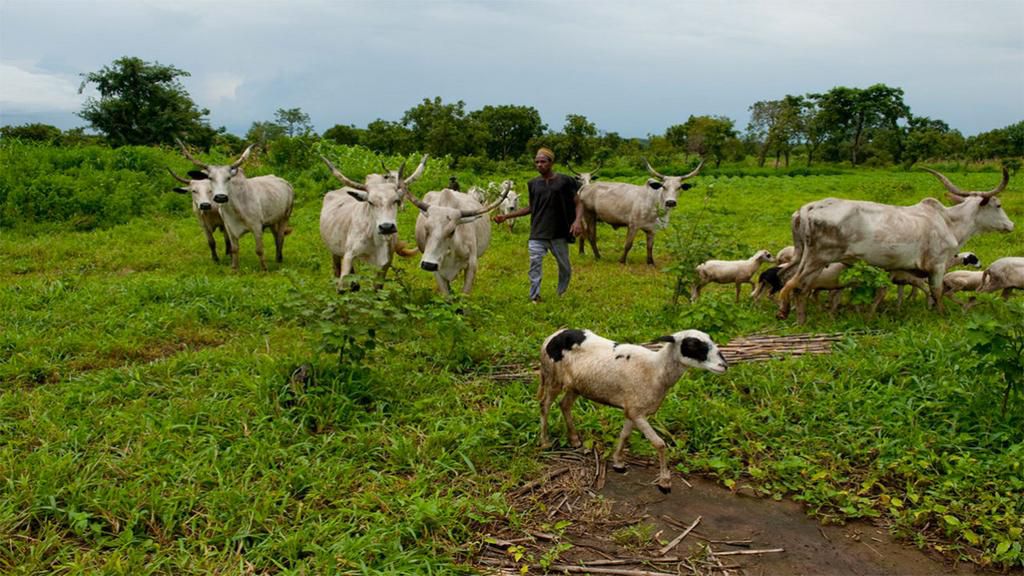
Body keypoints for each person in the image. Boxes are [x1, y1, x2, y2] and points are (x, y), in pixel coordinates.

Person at [494, 148, 583, 303]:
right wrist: (506, 216)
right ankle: (534, 296)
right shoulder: (533, 184)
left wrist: (577, 221)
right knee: (535, 264)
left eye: (543, 161)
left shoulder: (565, 181)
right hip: (538, 232)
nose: (539, 165)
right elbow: (531, 207)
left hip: (559, 232)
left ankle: (561, 292)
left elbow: (578, 203)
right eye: (537, 162)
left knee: (565, 267)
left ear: (551, 163)